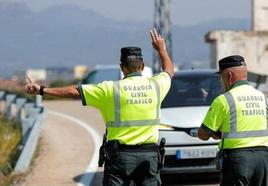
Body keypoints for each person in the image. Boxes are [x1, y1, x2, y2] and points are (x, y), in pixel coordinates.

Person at [25, 28, 174, 186]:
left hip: (120, 158)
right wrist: (161, 49)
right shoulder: (157, 86)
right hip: (148, 156)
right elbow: (169, 71)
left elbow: (75, 91)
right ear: (142, 66)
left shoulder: (109, 89)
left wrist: (42, 90)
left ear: (121, 67)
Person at [198, 55, 268, 186]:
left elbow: (202, 134)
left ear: (229, 76)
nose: (221, 81)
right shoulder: (262, 97)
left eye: (221, 77)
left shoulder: (224, 100)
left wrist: (215, 133)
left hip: (238, 161)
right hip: (263, 160)